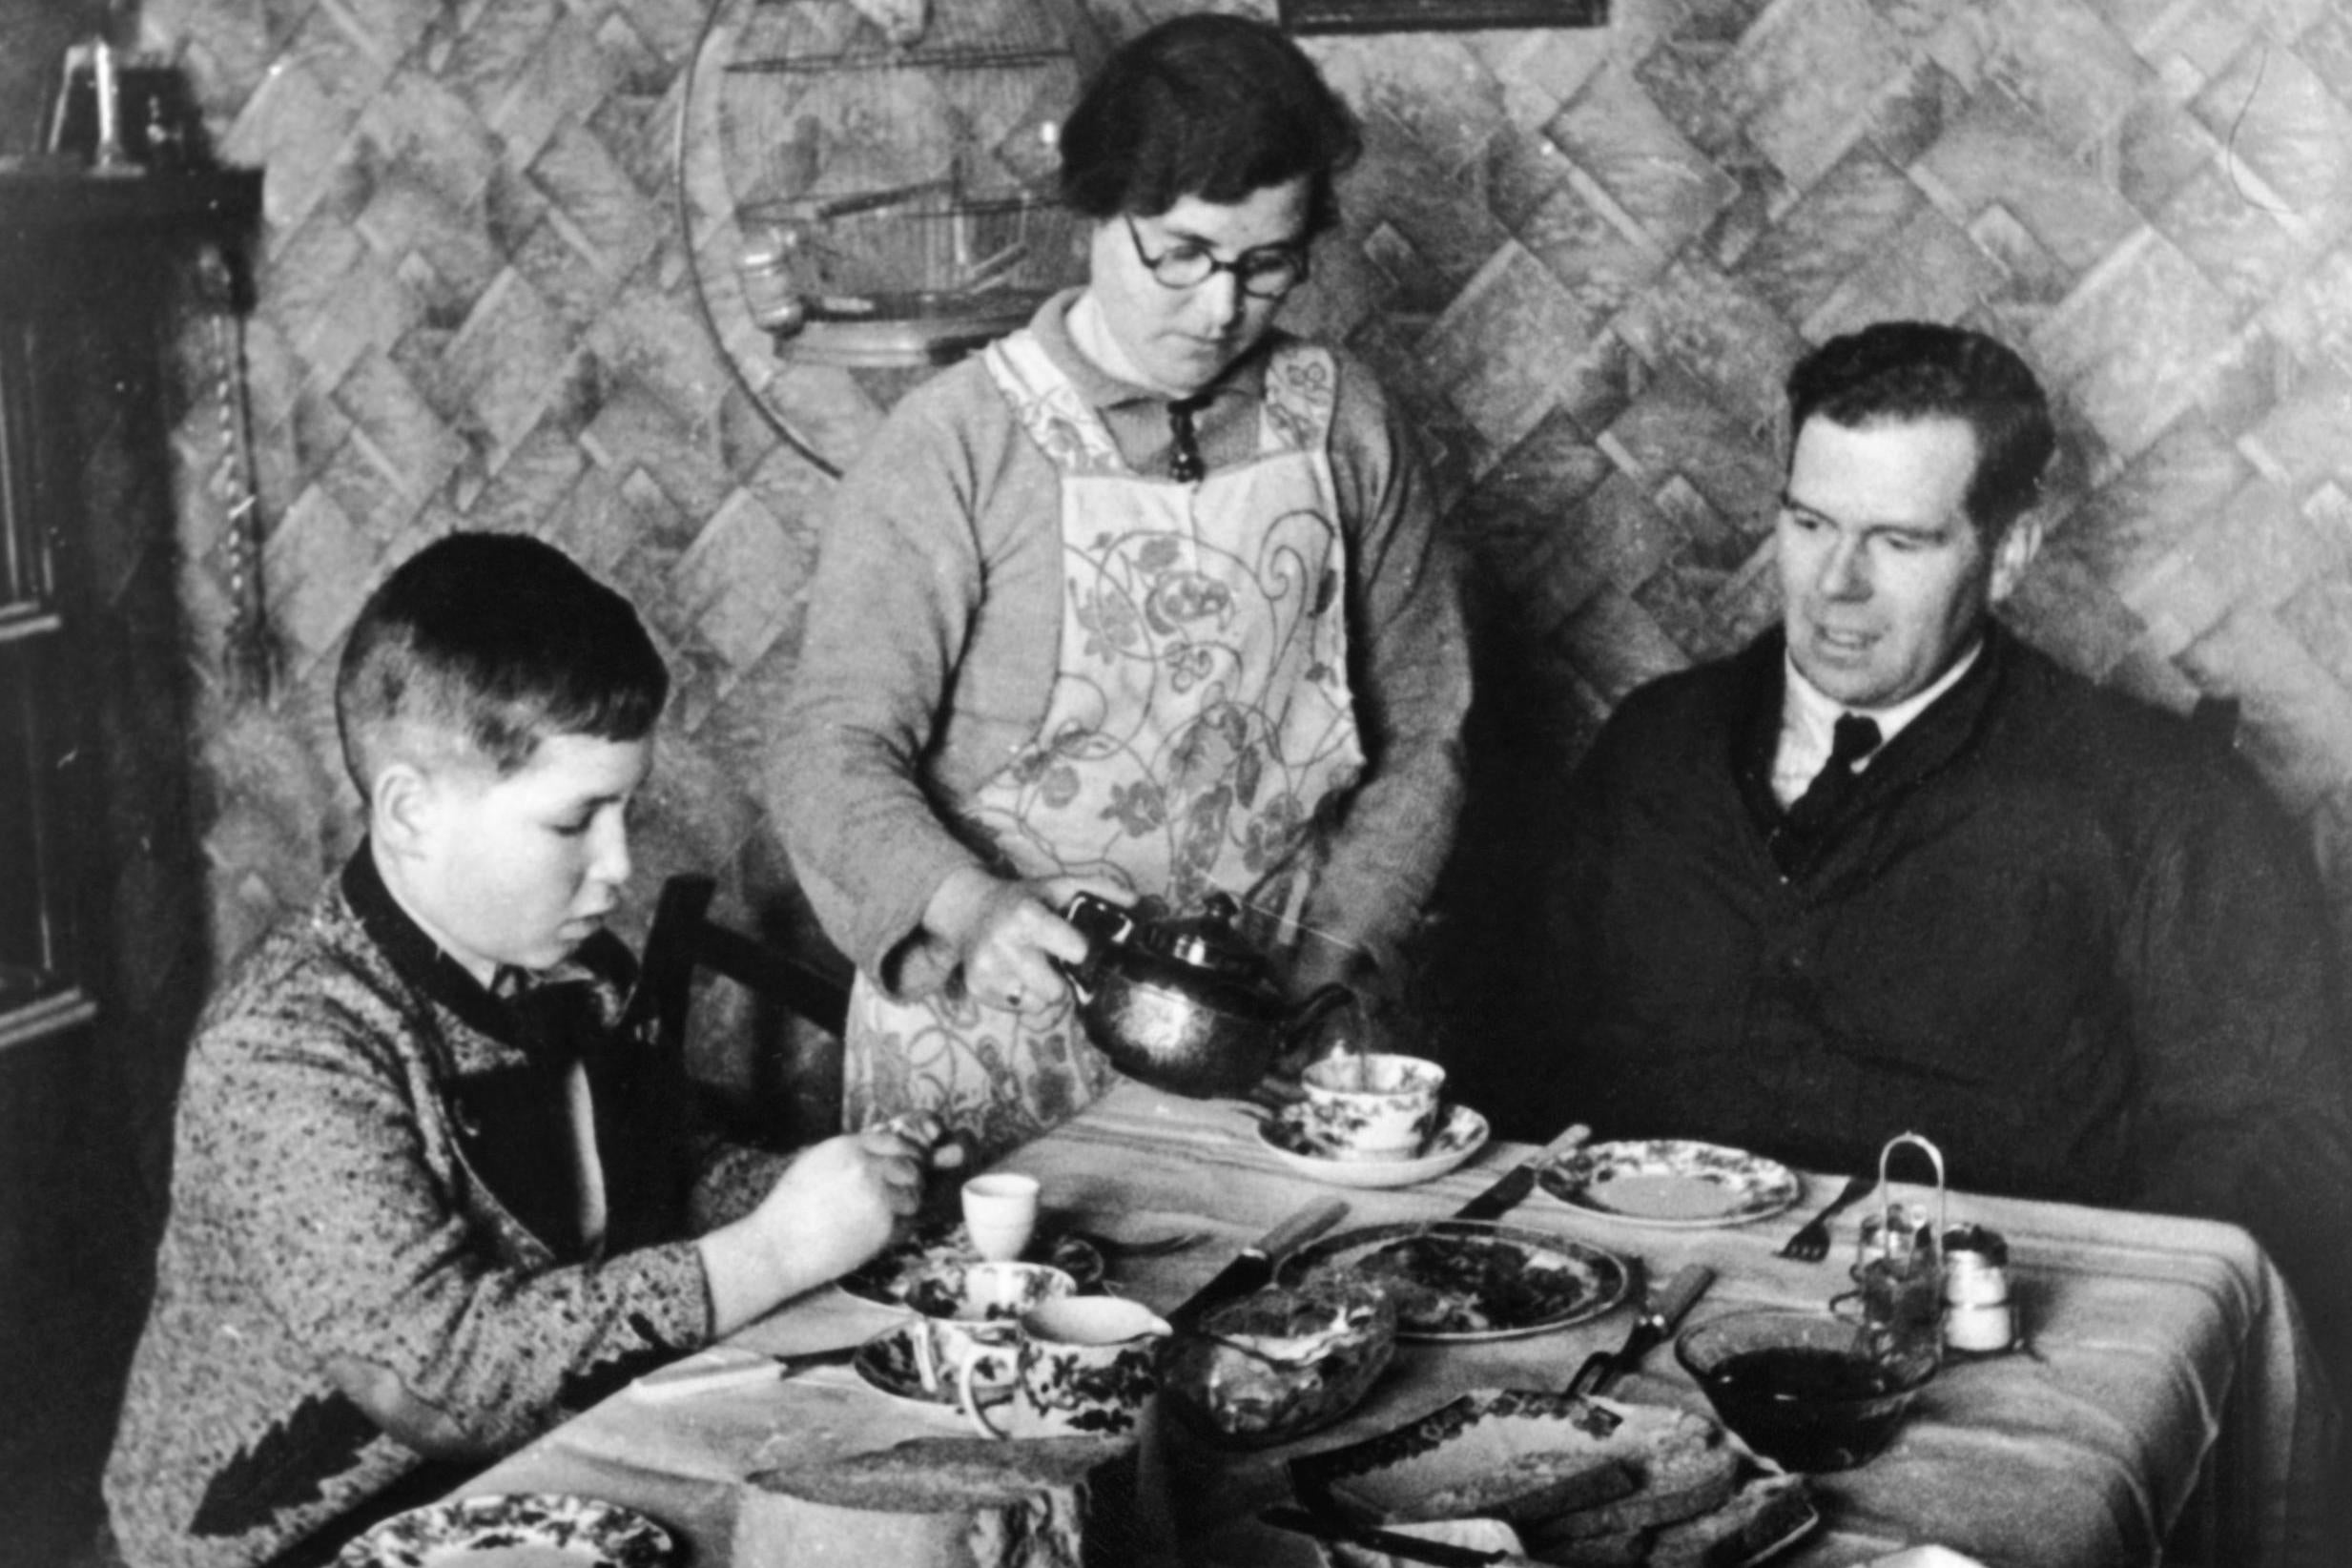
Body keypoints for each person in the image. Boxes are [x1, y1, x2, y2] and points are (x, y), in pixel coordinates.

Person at [1537, 320, 2352, 1393]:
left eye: (1900, 541)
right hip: (1618, 1352)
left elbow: (2271, 1153)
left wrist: (2066, 1342)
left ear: (2009, 552)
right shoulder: (1654, 748)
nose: (1836, 583)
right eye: (1810, 521)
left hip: (1982, 1378)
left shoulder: (2158, 805)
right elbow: (1523, 1057)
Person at [101, 534, 942, 1568]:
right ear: (411, 812)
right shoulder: (291, 1045)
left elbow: (668, 1176)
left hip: (537, 1476)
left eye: (624, 811)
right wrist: (776, 1250)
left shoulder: (572, 968)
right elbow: (440, 1379)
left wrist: (831, 1193)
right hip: (302, 1543)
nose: (619, 868)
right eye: (573, 822)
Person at [774, 13, 1471, 1162]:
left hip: (1271, 1033)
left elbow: (1428, 736)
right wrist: (966, 907)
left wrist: (1333, 955)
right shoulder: (960, 443)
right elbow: (828, 750)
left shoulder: (1346, 422)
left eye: (1265, 266)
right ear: (1098, 211)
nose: (1217, 310)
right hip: (993, 1037)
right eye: (1181, 254)